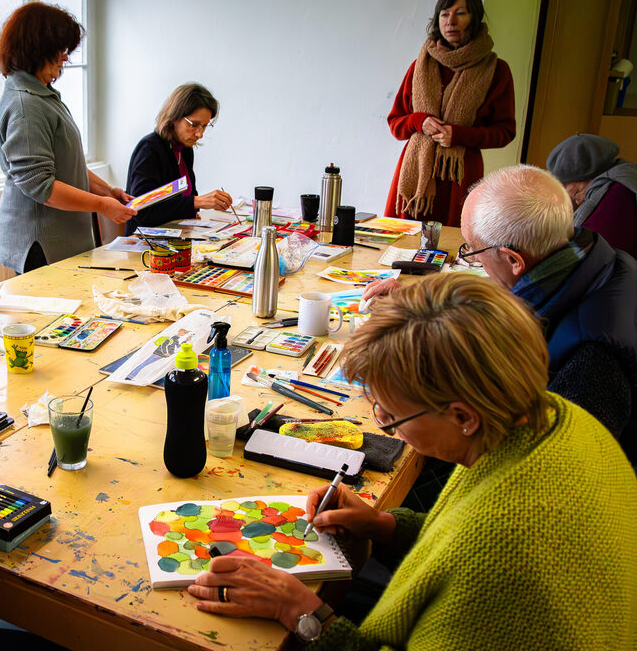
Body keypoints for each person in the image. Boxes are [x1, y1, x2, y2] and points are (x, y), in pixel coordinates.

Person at [188, 273, 637, 649]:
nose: (386, 426)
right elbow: (460, 537)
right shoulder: (558, 418)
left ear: (462, 415)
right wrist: (383, 525)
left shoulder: (506, 554)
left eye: (389, 415)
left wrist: (300, 610)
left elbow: (483, 550)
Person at [365, 165, 637, 460]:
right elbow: (522, 305)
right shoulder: (586, 258)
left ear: (512, 260)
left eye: (472, 250)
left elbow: (555, 468)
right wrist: (417, 307)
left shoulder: (593, 359)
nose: (474, 259)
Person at [0, 2, 136, 274]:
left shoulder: (42, 95)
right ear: (37, 49)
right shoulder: (26, 106)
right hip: (42, 242)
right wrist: (102, 205)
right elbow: (42, 186)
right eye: (60, 52)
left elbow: (66, 164)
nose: (65, 59)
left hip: (63, 236)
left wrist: (109, 193)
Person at [384, 0, 515, 226]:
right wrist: (419, 121)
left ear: (474, 18)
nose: (451, 21)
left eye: (461, 13)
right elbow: (395, 123)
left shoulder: (496, 70)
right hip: (415, 175)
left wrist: (459, 134)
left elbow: (505, 132)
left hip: (459, 176)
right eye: (444, 14)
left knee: (452, 247)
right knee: (402, 244)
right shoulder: (420, 66)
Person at [124, 83, 233, 235]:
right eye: (194, 125)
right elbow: (143, 212)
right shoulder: (149, 149)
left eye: (204, 126)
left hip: (176, 237)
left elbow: (185, 198)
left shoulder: (184, 149)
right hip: (145, 244)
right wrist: (197, 201)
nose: (199, 134)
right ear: (174, 117)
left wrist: (196, 206)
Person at [546, 133, 637, 258]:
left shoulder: (614, 199)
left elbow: (591, 260)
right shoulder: (621, 177)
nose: (561, 193)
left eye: (565, 186)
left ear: (584, 180)